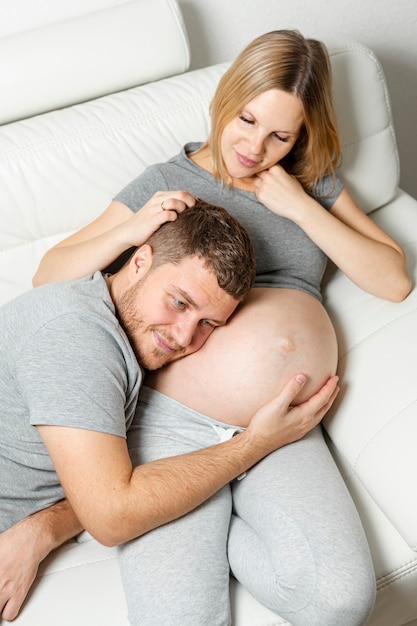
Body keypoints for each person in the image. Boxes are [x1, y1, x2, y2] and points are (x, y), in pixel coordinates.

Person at [2, 29, 411, 626]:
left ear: (302, 136)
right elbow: (50, 277)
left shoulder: (310, 185)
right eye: (246, 120)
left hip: (284, 416)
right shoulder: (166, 179)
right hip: (168, 425)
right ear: (226, 100)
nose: (254, 146)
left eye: (280, 135)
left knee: (340, 600)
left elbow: (393, 280)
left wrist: (297, 204)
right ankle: (203, 493)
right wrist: (131, 228)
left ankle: (214, 498)